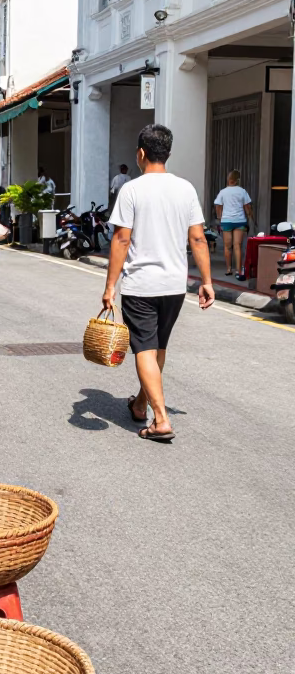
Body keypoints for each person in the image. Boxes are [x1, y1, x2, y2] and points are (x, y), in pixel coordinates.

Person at [104, 124, 215, 444]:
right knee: (157, 347)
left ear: (141, 154)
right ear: (167, 152)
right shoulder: (186, 189)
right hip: (175, 285)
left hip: (142, 285)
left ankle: (161, 419)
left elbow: (122, 239)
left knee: (143, 349)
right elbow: (197, 238)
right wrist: (206, 281)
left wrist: (110, 286)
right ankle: (140, 404)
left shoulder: (132, 190)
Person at [214, 170, 253, 279]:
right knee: (237, 246)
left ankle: (228, 269)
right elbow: (247, 207)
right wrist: (250, 217)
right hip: (240, 220)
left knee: (227, 246)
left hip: (226, 221)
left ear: (229, 180)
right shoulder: (242, 191)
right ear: (237, 180)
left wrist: (219, 216)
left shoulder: (223, 192)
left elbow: (218, 205)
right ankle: (239, 270)